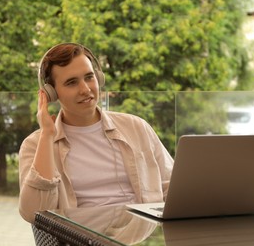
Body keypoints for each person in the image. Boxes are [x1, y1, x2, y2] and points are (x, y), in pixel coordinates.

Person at [18, 42, 173, 223]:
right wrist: (47, 134)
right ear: (51, 93)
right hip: (83, 242)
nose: (85, 89)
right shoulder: (36, 144)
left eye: (89, 77)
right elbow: (32, 213)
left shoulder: (136, 127)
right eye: (71, 82)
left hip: (143, 238)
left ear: (99, 78)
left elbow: (174, 187)